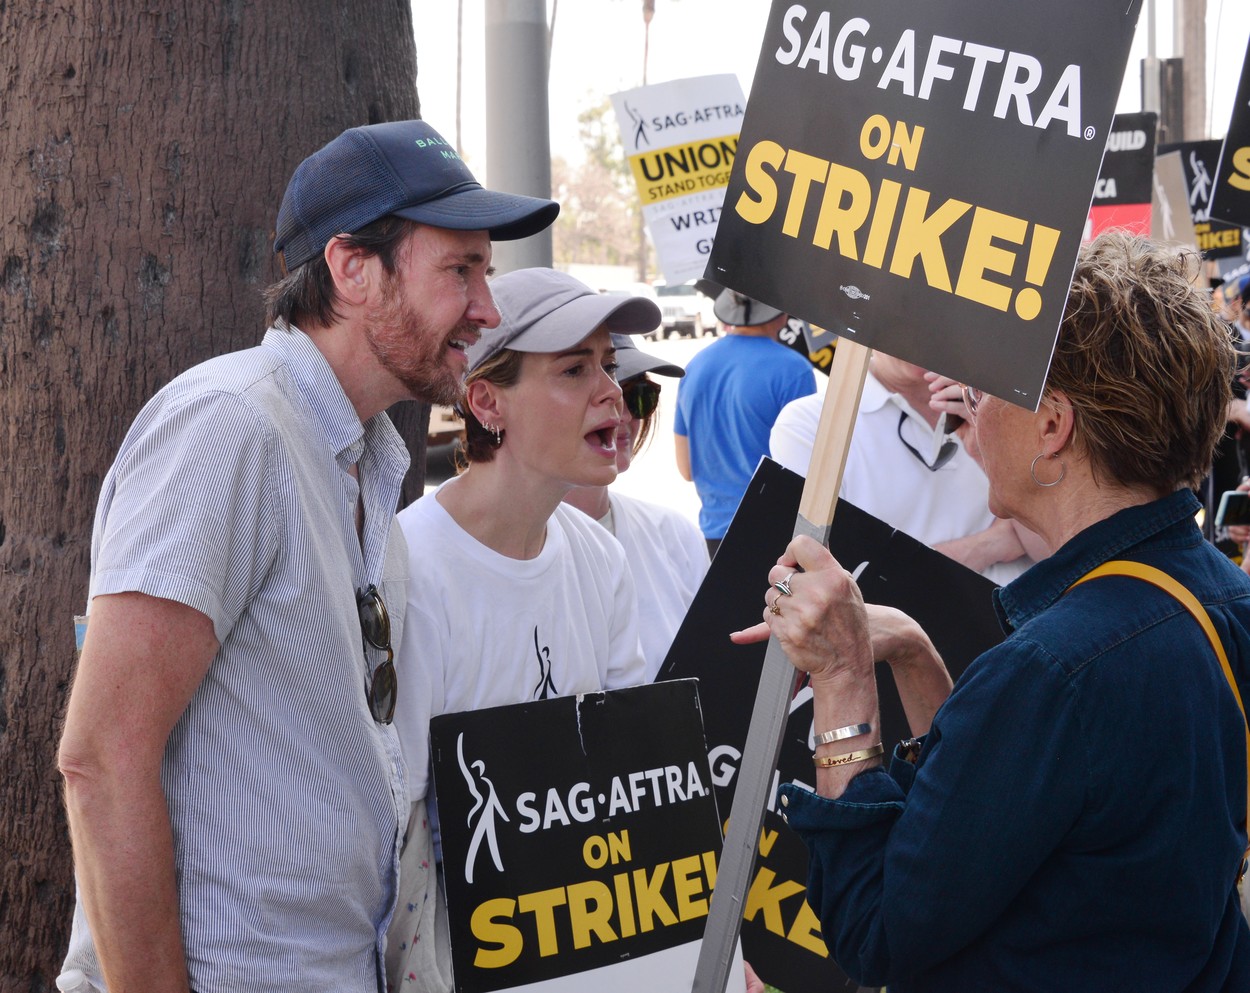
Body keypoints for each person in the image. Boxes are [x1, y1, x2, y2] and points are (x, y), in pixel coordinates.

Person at [54, 120, 558, 993]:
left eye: (487, 271)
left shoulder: (365, 469)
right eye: (460, 270)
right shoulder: (230, 426)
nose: (488, 308)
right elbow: (100, 759)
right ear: (352, 269)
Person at [735, 232, 1250, 990]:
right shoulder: (1224, 596)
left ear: (1053, 426)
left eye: (989, 384)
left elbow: (875, 930)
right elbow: (1014, 818)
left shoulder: (1051, 672)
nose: (968, 405)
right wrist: (916, 652)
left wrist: (844, 681)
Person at [386, 268, 650, 990]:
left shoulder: (600, 557)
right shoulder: (407, 570)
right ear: (486, 400)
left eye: (609, 364)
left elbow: (630, 777)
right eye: (573, 367)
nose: (610, 391)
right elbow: (394, 832)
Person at [770, 354, 1044, 584]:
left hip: (1032, 624)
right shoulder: (812, 424)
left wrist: (985, 456)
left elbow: (1054, 547)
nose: (925, 330)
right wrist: (994, 542)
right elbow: (847, 584)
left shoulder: (1000, 406)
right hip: (918, 641)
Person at [563, 334, 710, 679]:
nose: (623, 414)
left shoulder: (676, 535)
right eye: (603, 396)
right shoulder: (509, 545)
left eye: (638, 396)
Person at [674, 289, 816, 557]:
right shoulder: (794, 369)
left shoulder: (694, 366)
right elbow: (807, 466)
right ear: (782, 314)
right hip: (773, 532)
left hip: (713, 532)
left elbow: (686, 468)